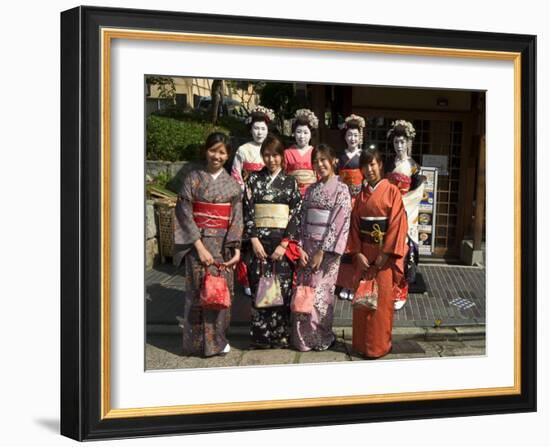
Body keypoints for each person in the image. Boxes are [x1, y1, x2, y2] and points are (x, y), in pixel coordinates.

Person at [173, 132, 243, 357]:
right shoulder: (193, 178)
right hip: (197, 246)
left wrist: (237, 248)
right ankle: (195, 344)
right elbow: (183, 213)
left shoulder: (232, 186)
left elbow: (237, 219)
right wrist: (199, 247)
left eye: (222, 152)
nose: (217, 155)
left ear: (228, 155)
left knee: (220, 295)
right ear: (206, 150)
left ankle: (218, 341)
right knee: (197, 294)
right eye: (213, 150)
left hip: (223, 248)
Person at [347, 149, 408, 359]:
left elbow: (398, 225)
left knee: (380, 304)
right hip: (364, 254)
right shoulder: (360, 196)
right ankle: (361, 345)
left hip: (384, 256)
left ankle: (379, 346)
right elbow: (354, 226)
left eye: (373, 164)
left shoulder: (392, 191)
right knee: (363, 302)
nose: (369, 169)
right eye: (365, 166)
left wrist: (386, 254)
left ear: (380, 165)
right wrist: (356, 253)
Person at [243, 134, 302, 349]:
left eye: (275, 155)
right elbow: (247, 211)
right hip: (259, 244)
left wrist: (285, 243)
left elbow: (296, 213)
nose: (271, 160)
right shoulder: (253, 180)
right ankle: (261, 337)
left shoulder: (290, 182)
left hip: (281, 245)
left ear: (282, 156)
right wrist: (254, 240)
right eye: (266, 155)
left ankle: (280, 336)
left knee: (282, 291)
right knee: (260, 290)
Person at [291, 144, 352, 351]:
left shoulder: (342, 190)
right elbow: (301, 220)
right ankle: (302, 339)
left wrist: (322, 251)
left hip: (326, 252)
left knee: (321, 296)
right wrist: (299, 247)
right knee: (304, 292)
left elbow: (339, 223)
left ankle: (320, 337)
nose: (320, 164)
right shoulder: (310, 190)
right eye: (316, 161)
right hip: (307, 248)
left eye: (324, 160)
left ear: (333, 160)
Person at [385, 120, 426, 310]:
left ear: (408, 142)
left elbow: (418, 192)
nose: (399, 146)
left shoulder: (414, 167)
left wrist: (399, 205)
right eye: (396, 142)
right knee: (387, 251)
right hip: (389, 209)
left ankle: (401, 290)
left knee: (404, 252)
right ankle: (387, 287)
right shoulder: (389, 163)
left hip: (405, 212)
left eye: (402, 142)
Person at [335, 114, 366, 301]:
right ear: (345, 137)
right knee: (345, 244)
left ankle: (356, 283)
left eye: (356, 135)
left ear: (360, 137)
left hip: (360, 201)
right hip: (344, 201)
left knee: (358, 243)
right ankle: (345, 282)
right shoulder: (340, 157)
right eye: (349, 135)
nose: (352, 138)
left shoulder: (363, 157)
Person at [231, 105, 275, 189]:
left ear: (267, 130)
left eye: (263, 129)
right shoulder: (243, 149)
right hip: (246, 191)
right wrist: (243, 190)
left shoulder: (273, 149)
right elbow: (235, 174)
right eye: (256, 128)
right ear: (251, 130)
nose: (259, 133)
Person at [284, 108, 319, 196]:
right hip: (292, 194)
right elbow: (283, 175)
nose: (302, 136)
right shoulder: (287, 153)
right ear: (294, 133)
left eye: (305, 133)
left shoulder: (316, 152)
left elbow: (320, 175)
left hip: (312, 194)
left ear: (311, 134)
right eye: (298, 132)